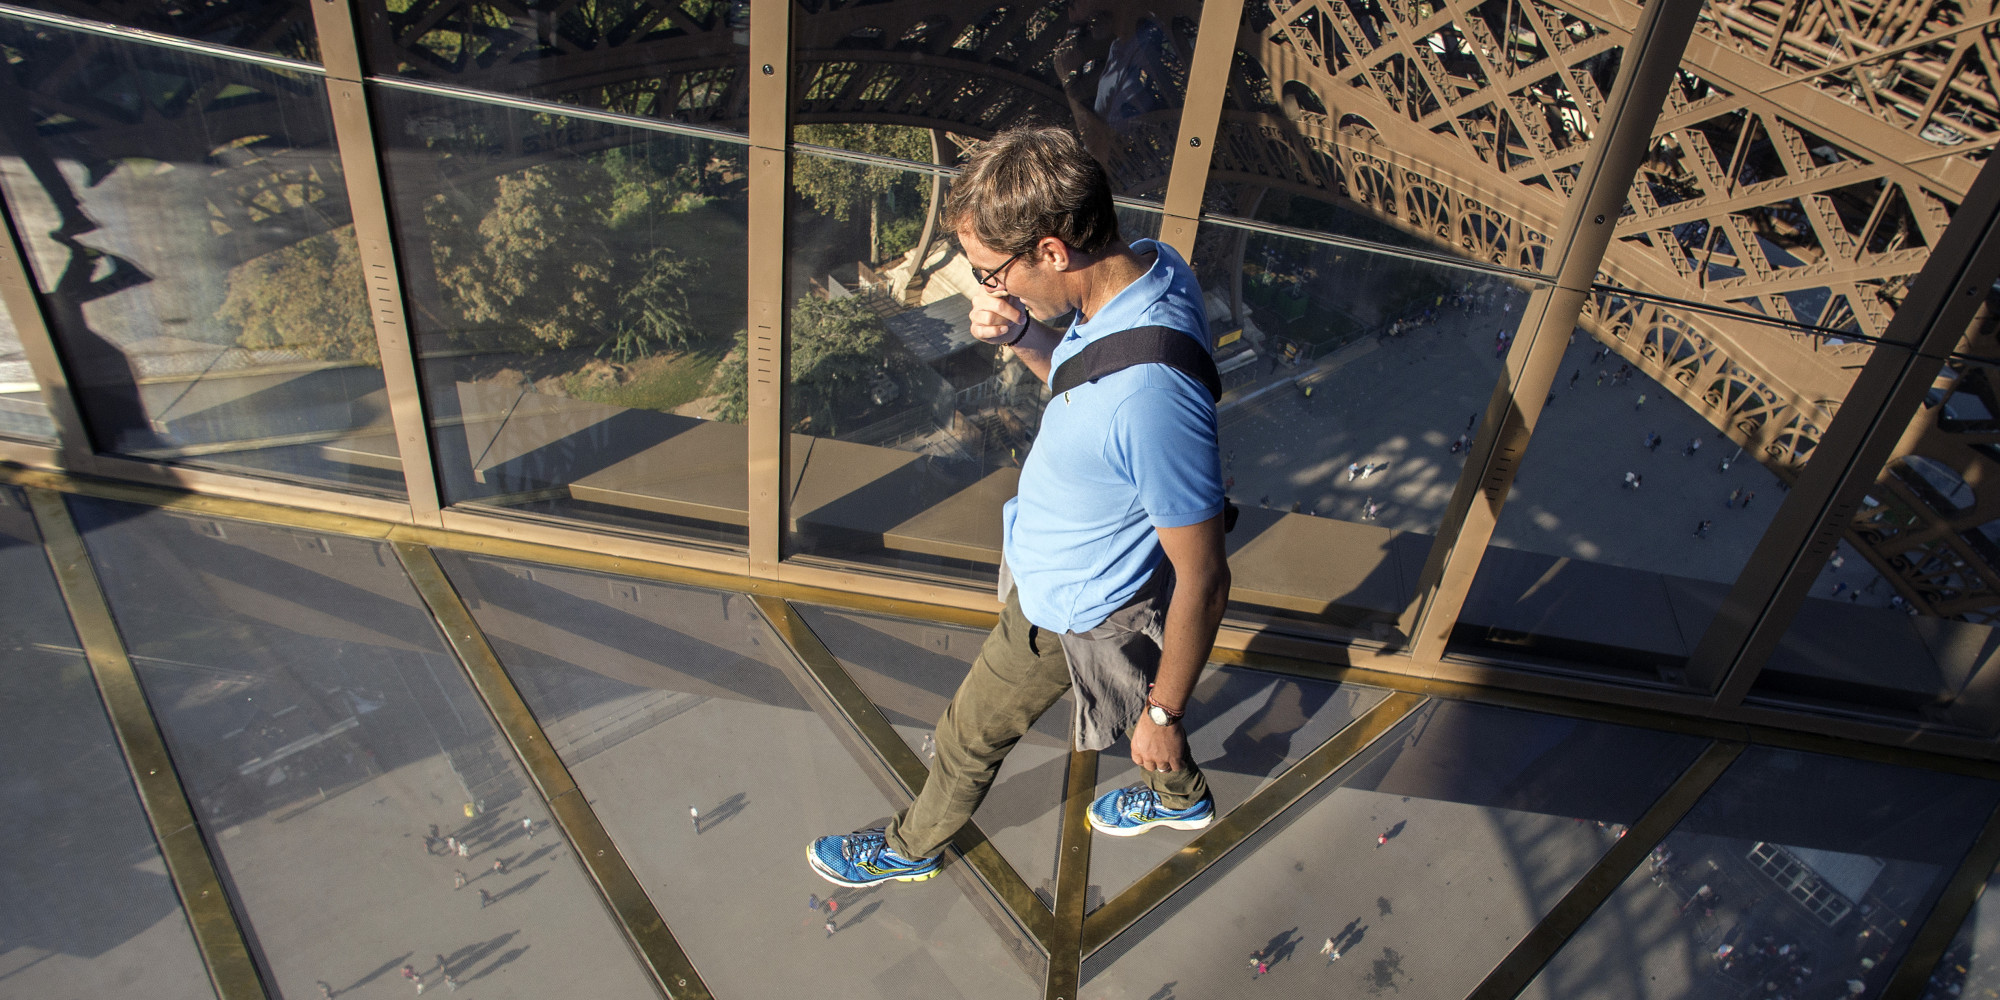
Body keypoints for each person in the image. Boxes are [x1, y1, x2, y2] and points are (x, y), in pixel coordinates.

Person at [809, 126, 1230, 889]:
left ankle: (910, 849)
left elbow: (1203, 578)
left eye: (991, 272)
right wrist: (1027, 335)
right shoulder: (1155, 272)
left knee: (968, 736)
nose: (988, 288)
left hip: (1071, 602)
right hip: (1092, 578)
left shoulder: (1150, 398)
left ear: (1052, 251)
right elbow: (1083, 385)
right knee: (1141, 701)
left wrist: (1167, 716)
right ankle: (1182, 796)